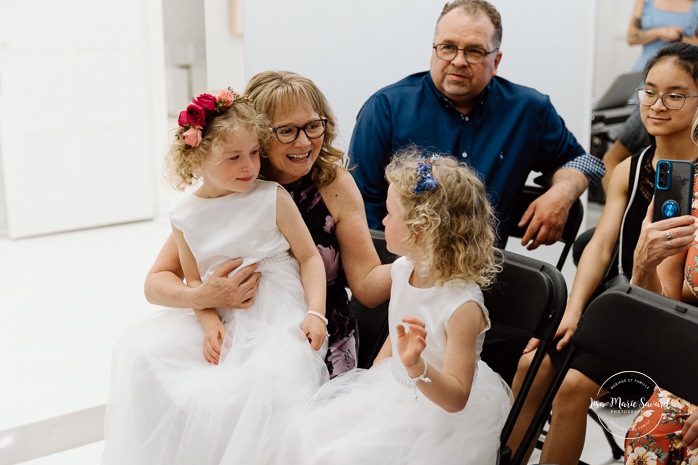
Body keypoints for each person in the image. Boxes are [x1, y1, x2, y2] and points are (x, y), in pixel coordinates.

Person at [102, 88, 330, 464]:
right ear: (198, 159)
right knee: (147, 353)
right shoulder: (184, 216)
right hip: (221, 313)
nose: (249, 167)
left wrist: (315, 312)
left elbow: (308, 257)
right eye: (234, 158)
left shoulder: (270, 196)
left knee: (267, 379)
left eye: (255, 153)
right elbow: (194, 281)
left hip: (277, 310)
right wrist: (208, 324)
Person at [507, 42, 698, 465]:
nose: (657, 105)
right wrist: (573, 311)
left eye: (675, 94)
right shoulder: (630, 169)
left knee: (573, 389)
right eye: (649, 91)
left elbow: (675, 296)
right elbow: (601, 244)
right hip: (624, 304)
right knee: (530, 367)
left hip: (675, 322)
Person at [143, 71, 390, 379]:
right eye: (286, 131)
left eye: (313, 126)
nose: (304, 141)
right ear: (257, 133)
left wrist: (421, 263)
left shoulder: (333, 184)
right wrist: (203, 298)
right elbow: (157, 282)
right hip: (236, 328)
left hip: (314, 329)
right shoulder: (233, 188)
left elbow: (365, 285)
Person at [273, 150, 511, 465]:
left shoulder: (462, 306)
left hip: (435, 411)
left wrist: (417, 366)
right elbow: (399, 335)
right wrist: (368, 384)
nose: (382, 220)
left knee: (342, 456)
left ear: (420, 229)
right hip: (392, 388)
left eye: (389, 214)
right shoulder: (403, 270)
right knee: (303, 432)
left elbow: (456, 399)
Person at [349, 0, 605, 251]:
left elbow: (584, 163)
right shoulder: (386, 109)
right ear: (433, 49)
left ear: (496, 61)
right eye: (448, 47)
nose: (459, 61)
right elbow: (358, 211)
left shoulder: (528, 110)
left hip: (483, 279)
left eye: (474, 51)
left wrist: (562, 192)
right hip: (398, 275)